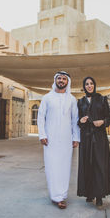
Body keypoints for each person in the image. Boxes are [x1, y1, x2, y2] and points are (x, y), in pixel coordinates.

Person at [37, 71, 80, 209]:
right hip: (50, 139)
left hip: (67, 139)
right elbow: (40, 117)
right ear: (55, 80)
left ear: (68, 82)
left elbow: (75, 120)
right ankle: (55, 196)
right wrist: (42, 135)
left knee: (65, 167)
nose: (61, 81)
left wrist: (76, 138)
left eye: (64, 79)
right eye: (59, 78)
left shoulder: (72, 99)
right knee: (52, 167)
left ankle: (62, 196)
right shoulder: (47, 98)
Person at [77, 76, 110, 207]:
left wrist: (102, 122)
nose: (89, 86)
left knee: (99, 165)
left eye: (91, 83)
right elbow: (77, 121)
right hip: (86, 138)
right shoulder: (80, 102)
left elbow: (109, 119)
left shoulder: (102, 99)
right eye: (86, 84)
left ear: (95, 85)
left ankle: (99, 195)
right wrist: (80, 121)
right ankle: (89, 193)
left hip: (99, 138)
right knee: (87, 165)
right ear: (84, 86)